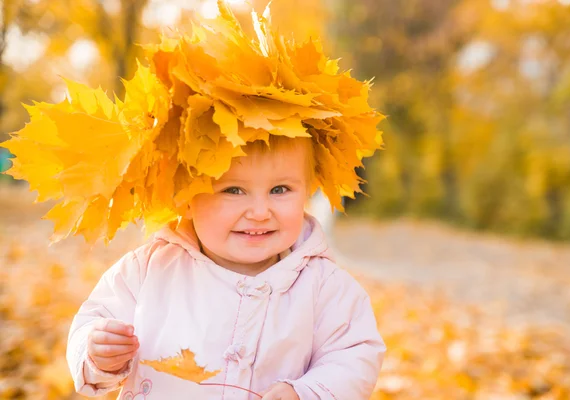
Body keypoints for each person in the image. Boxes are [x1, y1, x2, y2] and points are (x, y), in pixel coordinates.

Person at [2, 2, 385, 399]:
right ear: (186, 197)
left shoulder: (324, 287)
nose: (259, 211)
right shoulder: (149, 270)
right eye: (233, 190)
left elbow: (355, 356)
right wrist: (95, 352)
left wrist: (306, 391)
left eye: (280, 190)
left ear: (308, 190)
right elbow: (95, 318)